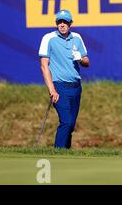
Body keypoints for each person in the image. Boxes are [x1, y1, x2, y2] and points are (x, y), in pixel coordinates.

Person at [38, 9, 90, 148]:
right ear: (56, 23)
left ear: (70, 23)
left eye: (65, 22)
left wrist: (80, 59)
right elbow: (44, 65)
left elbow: (87, 62)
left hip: (76, 87)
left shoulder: (77, 38)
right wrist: (52, 90)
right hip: (59, 86)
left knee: (71, 125)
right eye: (59, 22)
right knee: (66, 122)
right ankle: (58, 153)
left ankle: (65, 155)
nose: (62, 24)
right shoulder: (48, 38)